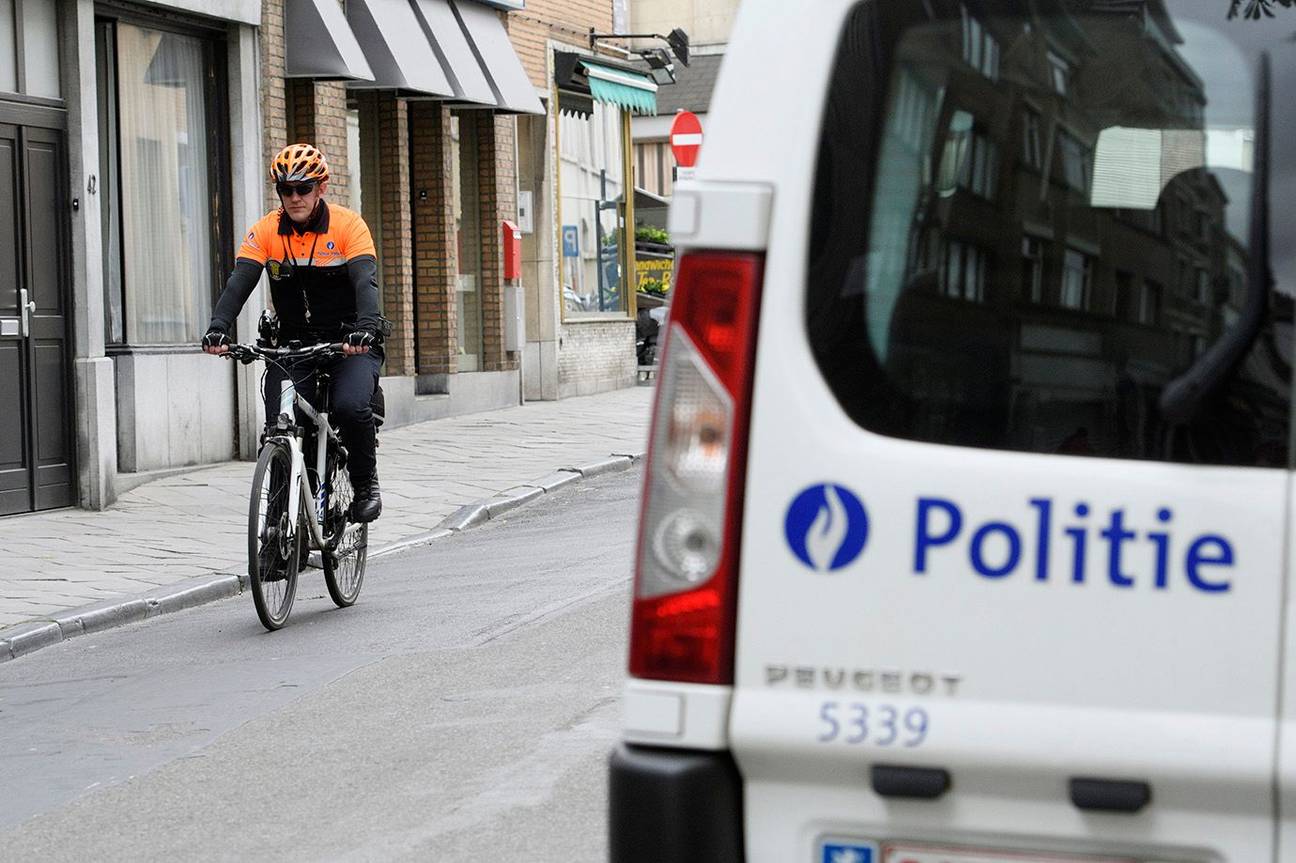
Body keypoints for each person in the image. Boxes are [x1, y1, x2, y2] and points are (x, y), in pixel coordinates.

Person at [201, 143, 384, 522]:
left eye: (304, 188)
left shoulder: (348, 226)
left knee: (350, 407)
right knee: (279, 429)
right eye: (287, 190)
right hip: (292, 346)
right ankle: (275, 531)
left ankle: (365, 484)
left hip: (346, 342)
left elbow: (366, 283)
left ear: (322, 188)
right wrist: (218, 328)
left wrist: (365, 330)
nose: (295, 197)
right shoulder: (267, 230)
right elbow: (239, 283)